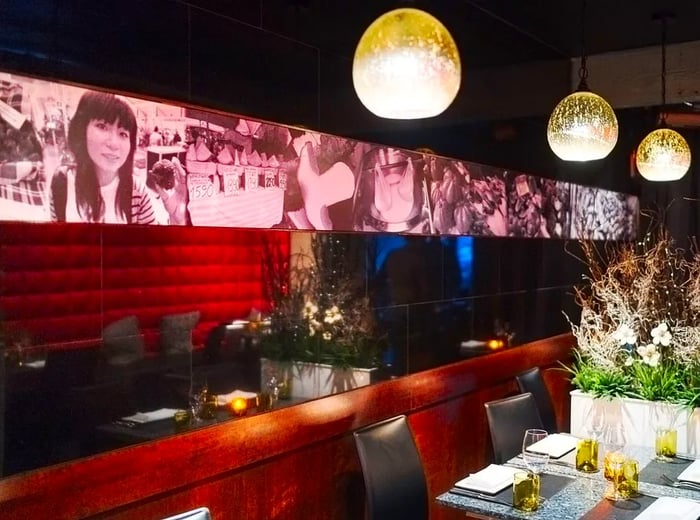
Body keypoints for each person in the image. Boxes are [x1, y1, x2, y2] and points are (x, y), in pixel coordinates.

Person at [49, 91, 188, 225]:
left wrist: (177, 219)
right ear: (82, 130)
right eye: (102, 126)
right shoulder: (61, 183)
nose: (114, 144)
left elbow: (150, 245)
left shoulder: (136, 190)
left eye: (123, 134)